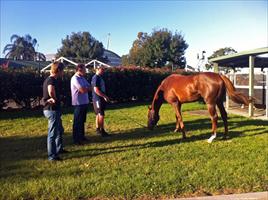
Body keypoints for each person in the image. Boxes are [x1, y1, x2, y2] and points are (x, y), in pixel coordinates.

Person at [43, 61, 66, 161]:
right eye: (63, 71)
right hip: (51, 109)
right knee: (52, 133)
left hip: (54, 109)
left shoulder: (53, 79)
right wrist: (55, 99)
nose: (63, 73)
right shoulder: (51, 80)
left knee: (59, 130)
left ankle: (59, 148)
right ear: (59, 70)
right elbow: (51, 90)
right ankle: (52, 156)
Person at [70, 64, 91, 145]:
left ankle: (82, 137)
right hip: (78, 104)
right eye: (84, 70)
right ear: (79, 70)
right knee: (77, 122)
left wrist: (87, 88)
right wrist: (87, 88)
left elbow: (90, 86)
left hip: (84, 102)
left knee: (82, 121)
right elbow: (82, 90)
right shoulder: (75, 78)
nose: (85, 71)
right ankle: (76, 139)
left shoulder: (82, 78)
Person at [91, 65, 111, 137]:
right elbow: (96, 90)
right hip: (98, 99)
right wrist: (104, 96)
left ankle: (98, 129)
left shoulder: (99, 77)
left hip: (100, 98)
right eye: (101, 69)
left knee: (98, 114)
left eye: (103, 69)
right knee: (101, 114)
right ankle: (101, 130)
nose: (103, 71)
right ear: (97, 69)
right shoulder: (96, 78)